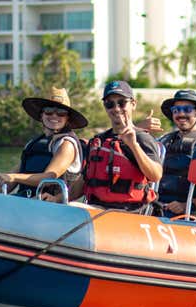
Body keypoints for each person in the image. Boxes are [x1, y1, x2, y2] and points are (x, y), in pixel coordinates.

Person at [68, 80, 163, 212]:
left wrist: (133, 145)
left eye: (122, 103)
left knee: (73, 209)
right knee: (67, 208)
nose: (116, 108)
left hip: (130, 211)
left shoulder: (142, 138)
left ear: (133, 104)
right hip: (97, 208)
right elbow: (84, 180)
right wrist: (58, 198)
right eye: (110, 104)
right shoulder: (98, 141)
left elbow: (156, 175)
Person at [0, 86, 88, 198]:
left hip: (54, 206)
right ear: (41, 115)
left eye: (61, 113)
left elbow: (48, 178)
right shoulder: (33, 144)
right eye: (49, 111)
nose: (54, 116)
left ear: (67, 118)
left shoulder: (67, 144)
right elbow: (16, 175)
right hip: (27, 201)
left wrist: (14, 177)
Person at [157, 89, 196, 216]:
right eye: (176, 110)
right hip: (159, 208)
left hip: (190, 214)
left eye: (187, 109)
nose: (181, 114)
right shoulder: (164, 140)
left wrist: (187, 205)